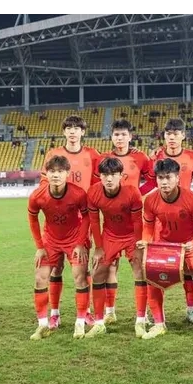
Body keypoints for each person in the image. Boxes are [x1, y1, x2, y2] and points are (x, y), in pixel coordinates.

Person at [137, 159, 193, 340]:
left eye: (168, 177)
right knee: (152, 278)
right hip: (166, 245)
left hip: (190, 244)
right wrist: (145, 240)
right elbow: (148, 227)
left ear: (177, 178)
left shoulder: (192, 199)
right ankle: (159, 324)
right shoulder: (151, 200)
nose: (164, 182)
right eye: (160, 178)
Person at [93, 119, 156, 324]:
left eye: (123, 134)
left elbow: (153, 180)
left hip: (134, 220)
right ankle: (110, 312)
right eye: (116, 134)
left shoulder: (141, 157)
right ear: (111, 137)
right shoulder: (104, 159)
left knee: (140, 268)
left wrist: (137, 193)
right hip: (111, 225)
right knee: (109, 268)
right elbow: (97, 185)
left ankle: (143, 315)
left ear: (130, 136)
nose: (120, 138)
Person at [40, 116, 100, 330]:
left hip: (82, 220)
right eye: (69, 128)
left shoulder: (92, 155)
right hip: (57, 221)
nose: (73, 131)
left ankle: (86, 312)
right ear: (64, 131)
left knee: (82, 269)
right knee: (55, 269)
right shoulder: (53, 154)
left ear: (83, 132)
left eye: (77, 128)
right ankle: (55, 314)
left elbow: (97, 184)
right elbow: (44, 184)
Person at [150, 118, 193, 323]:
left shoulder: (192, 157)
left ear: (183, 135)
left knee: (192, 270)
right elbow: (147, 180)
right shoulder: (156, 157)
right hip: (162, 221)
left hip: (187, 219)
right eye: (168, 134)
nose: (172, 138)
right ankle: (157, 315)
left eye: (176, 134)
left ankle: (191, 309)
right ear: (164, 136)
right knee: (156, 269)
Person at [27, 155, 90, 340]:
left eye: (60, 171)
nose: (56, 175)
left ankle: (80, 323)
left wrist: (81, 243)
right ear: (46, 174)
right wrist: (40, 246)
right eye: (52, 171)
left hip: (74, 240)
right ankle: (43, 324)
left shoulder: (78, 194)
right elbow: (32, 219)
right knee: (40, 278)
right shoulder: (37, 195)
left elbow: (87, 217)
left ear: (67, 173)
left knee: (80, 277)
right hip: (50, 241)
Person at [87, 157, 147, 338]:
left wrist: (138, 244)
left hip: (131, 236)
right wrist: (98, 247)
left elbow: (137, 222)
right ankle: (99, 322)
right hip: (110, 235)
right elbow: (94, 221)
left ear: (121, 175)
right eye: (105, 174)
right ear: (100, 176)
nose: (109, 178)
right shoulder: (93, 192)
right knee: (98, 272)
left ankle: (141, 320)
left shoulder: (132, 193)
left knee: (139, 271)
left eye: (113, 174)